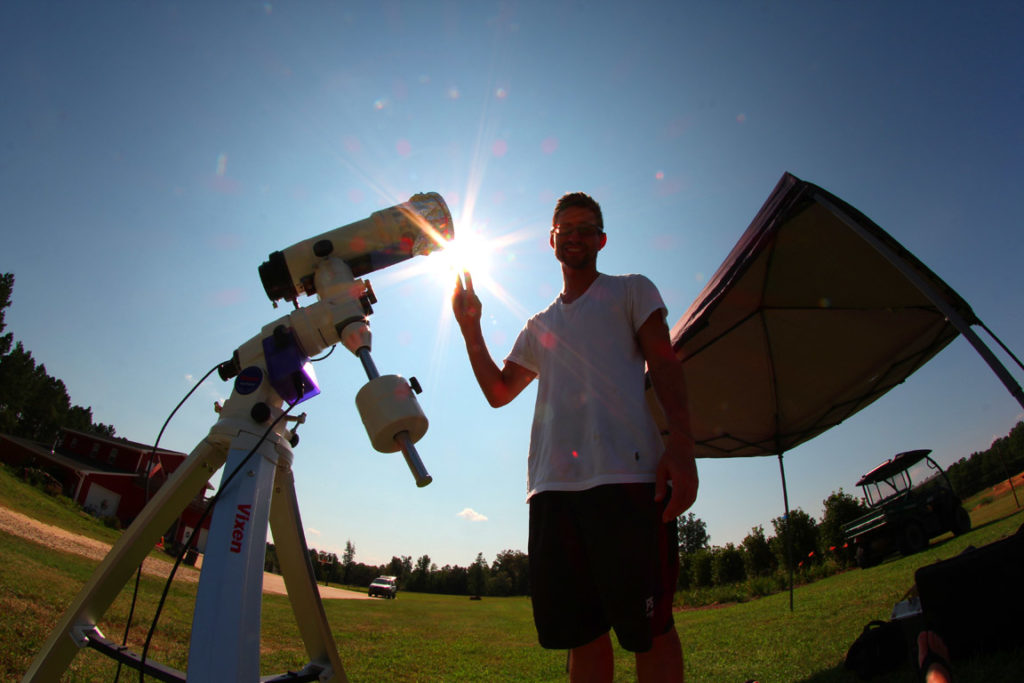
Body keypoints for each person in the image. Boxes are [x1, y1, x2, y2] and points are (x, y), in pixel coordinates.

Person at [452, 192, 699, 682]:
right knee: (582, 636)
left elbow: (664, 362)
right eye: (566, 229)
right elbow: (500, 392)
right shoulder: (539, 326)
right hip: (553, 492)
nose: (576, 237)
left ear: (602, 240)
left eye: (586, 228)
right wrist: (470, 328)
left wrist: (682, 446)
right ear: (552, 241)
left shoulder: (632, 290)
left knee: (651, 630)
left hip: (629, 481)